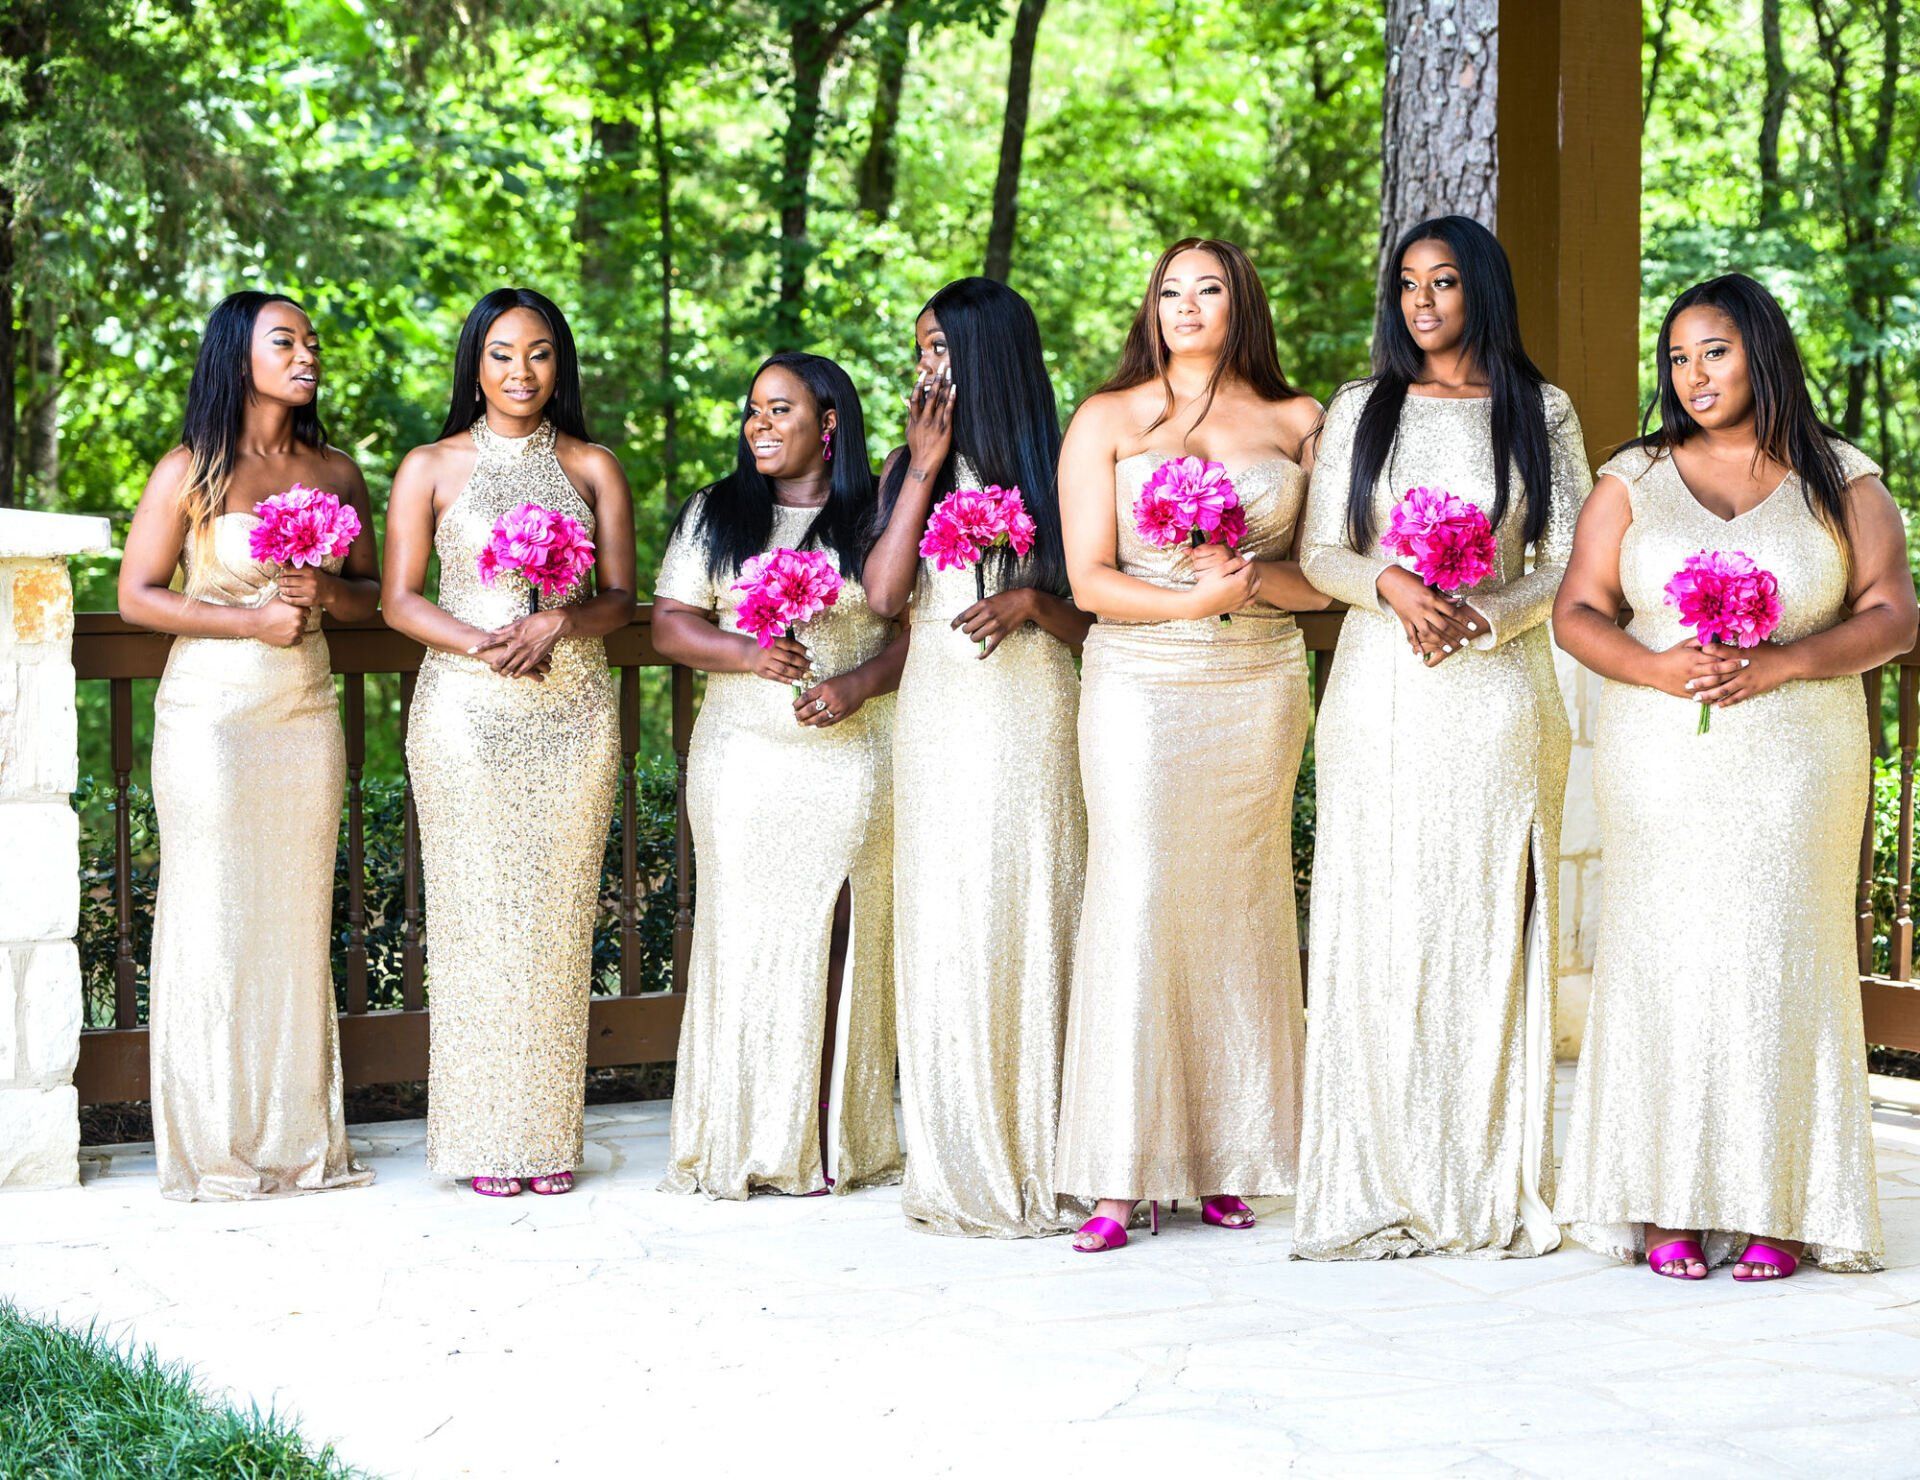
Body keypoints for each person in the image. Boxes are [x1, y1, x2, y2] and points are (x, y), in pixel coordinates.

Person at [1553, 274, 1916, 1279]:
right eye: (1677, 357)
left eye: (1713, 351)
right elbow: (1577, 611)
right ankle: (1660, 1194)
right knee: (1665, 954)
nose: (1693, 374)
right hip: (1661, 756)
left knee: (1779, 959)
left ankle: (1782, 1205)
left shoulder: (1841, 477)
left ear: (1761, 349)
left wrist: (1783, 662)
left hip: (1797, 759)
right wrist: (1658, 669)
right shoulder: (1633, 476)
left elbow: (1893, 615)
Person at [1292, 215, 1590, 1261]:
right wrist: (1392, 583)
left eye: (1446, 281)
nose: (1422, 301)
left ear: (1483, 290)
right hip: (1380, 686)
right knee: (1380, 919)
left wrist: (1488, 612)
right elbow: (1320, 550)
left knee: (1482, 917)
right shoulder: (1361, 407)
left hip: (1496, 691)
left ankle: (1480, 1177)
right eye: (1409, 283)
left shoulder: (1541, 410)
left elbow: (1571, 557)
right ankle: (1375, 1172)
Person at [1053, 238, 1327, 1253]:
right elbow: (1087, 579)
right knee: (1138, 894)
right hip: (1141, 680)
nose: (1186, 305)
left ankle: (1228, 1156)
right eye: (1170, 290)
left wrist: (1249, 583)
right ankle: (1118, 1172)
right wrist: (1191, 602)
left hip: (1258, 680)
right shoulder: (1108, 417)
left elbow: (1326, 574)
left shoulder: (1301, 421)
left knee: (1241, 901)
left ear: (1240, 301)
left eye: (1208, 288)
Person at [119, 290, 379, 1201]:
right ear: (239, 358)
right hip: (212, 719)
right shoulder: (190, 468)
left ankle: (294, 1138)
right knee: (217, 918)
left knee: (295, 919)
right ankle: (214, 1143)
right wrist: (249, 621)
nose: (307, 354)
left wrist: (325, 595)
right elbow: (137, 596)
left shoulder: (337, 471)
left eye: (312, 341)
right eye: (285, 341)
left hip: (303, 712)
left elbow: (370, 596)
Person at [382, 287, 632, 1198]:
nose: (520, 371)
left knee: (558, 924)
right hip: (466, 713)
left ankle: (546, 1135)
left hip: (572, 713)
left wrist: (560, 620)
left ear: (559, 363)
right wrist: (482, 642)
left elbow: (621, 600)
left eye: (538, 353)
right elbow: (398, 599)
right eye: (501, 353)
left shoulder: (594, 467)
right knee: (476, 919)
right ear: (475, 364)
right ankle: (484, 1135)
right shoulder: (429, 466)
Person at [862, 277, 1091, 1237]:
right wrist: (923, 470)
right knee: (949, 918)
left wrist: (1032, 601)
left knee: (1038, 906)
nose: (925, 368)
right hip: (942, 717)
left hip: (1035, 714)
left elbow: (1097, 621)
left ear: (988, 356)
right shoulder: (903, 467)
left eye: (941, 349)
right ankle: (959, 1156)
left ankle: (1058, 1153)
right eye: (920, 350)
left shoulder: (1059, 467)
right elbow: (883, 598)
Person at [653, 352, 907, 1199]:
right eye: (753, 410)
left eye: (779, 409)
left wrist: (858, 684)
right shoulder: (716, 511)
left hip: (853, 755)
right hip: (743, 759)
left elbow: (914, 631)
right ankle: (742, 1130)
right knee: (744, 936)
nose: (758, 425)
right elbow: (670, 624)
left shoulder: (875, 515)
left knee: (839, 938)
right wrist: (747, 652)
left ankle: (829, 1131)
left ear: (828, 423)